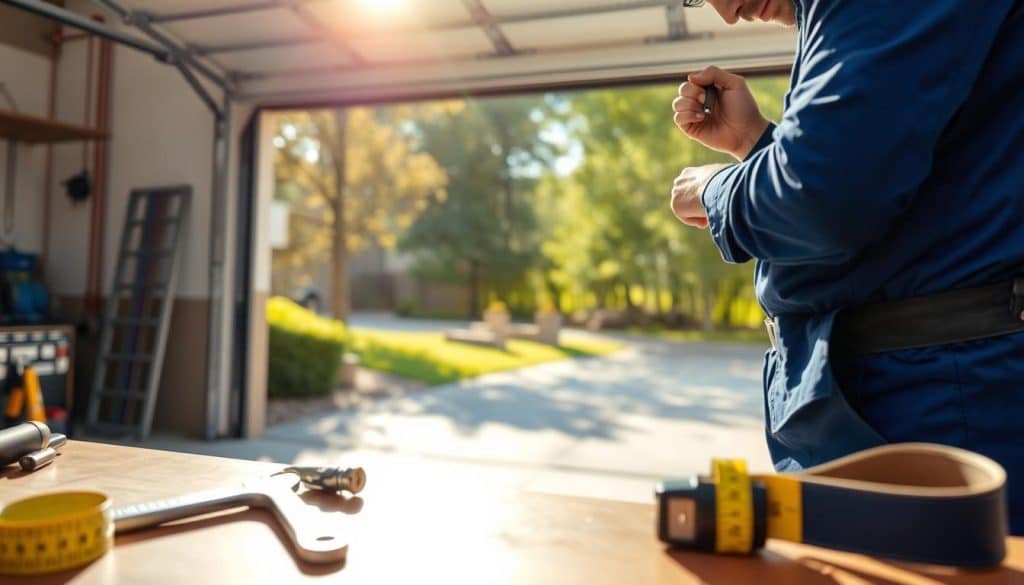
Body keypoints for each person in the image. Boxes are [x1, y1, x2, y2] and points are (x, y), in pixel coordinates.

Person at [670, 0, 1024, 534]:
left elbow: (823, 200)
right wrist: (756, 145)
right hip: (914, 390)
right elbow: (896, 195)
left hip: (943, 399)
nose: (726, 12)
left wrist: (715, 191)